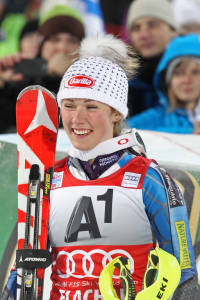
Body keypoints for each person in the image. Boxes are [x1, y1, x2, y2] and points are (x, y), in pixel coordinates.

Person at [1, 34, 198, 300]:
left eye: (91, 106)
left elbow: (184, 277)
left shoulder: (148, 179)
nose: (77, 118)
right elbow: (21, 273)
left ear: (116, 113)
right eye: (68, 106)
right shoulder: (50, 179)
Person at [0, 4, 85, 133]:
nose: (62, 48)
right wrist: (2, 85)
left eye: (72, 41)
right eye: (54, 40)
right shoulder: (20, 80)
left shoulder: (92, 85)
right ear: (41, 45)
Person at [127, 34, 200, 134]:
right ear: (167, 80)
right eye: (178, 73)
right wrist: (189, 132)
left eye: (195, 72)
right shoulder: (151, 119)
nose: (187, 80)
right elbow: (120, 134)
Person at [126, 0, 178, 117]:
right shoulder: (123, 83)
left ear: (173, 31)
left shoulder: (194, 74)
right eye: (136, 28)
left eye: (152, 25)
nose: (143, 35)